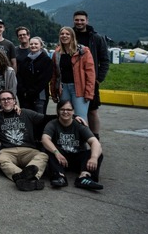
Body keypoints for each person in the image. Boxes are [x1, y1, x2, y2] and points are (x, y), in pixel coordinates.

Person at [0, 90, 48, 191]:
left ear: (14, 101)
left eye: (9, 99)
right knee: (1, 160)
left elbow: (47, 118)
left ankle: (22, 177)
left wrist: (73, 116)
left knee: (43, 156)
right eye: (3, 99)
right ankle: (32, 179)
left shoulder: (26, 113)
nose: (6, 101)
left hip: (27, 150)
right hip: (7, 151)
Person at [41, 100, 104, 190]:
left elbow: (95, 142)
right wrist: (57, 153)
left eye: (68, 109)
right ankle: (59, 176)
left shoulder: (79, 125)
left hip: (77, 158)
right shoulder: (53, 124)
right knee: (48, 150)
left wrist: (94, 157)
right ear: (58, 111)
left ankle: (84, 177)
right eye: (62, 109)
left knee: (97, 153)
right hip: (61, 159)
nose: (65, 112)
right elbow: (45, 139)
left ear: (73, 111)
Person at [72, 10, 109, 139]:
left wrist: (98, 79)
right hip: (72, 80)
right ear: (73, 21)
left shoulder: (96, 38)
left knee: (92, 111)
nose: (79, 22)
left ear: (87, 21)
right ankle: (76, 136)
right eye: (77, 20)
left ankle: (95, 137)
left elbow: (104, 60)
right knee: (73, 111)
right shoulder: (69, 36)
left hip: (91, 81)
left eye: (82, 20)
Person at [51, 27, 96, 123]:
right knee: (64, 117)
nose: (64, 36)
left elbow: (90, 73)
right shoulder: (57, 53)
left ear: (72, 36)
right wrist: (54, 92)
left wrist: (89, 92)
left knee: (80, 118)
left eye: (67, 34)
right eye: (62, 34)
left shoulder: (83, 51)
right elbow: (55, 74)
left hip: (79, 89)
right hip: (63, 89)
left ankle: (83, 138)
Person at [17, 36, 52, 114]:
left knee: (39, 118)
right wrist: (23, 91)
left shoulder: (46, 60)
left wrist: (32, 91)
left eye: (36, 44)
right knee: (27, 118)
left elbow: (45, 79)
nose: (33, 46)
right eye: (31, 44)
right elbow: (19, 76)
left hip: (40, 96)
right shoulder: (25, 61)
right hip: (26, 96)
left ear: (41, 46)